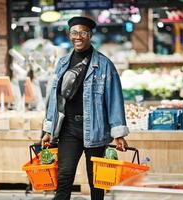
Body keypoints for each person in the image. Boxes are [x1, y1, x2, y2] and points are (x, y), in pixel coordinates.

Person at [41, 16, 129, 200]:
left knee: (96, 182)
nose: (78, 37)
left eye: (83, 32)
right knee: (64, 177)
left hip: (96, 130)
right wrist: (49, 129)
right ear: (69, 35)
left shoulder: (104, 65)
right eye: (74, 33)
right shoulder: (63, 63)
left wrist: (118, 132)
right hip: (68, 129)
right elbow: (55, 99)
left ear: (90, 35)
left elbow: (114, 99)